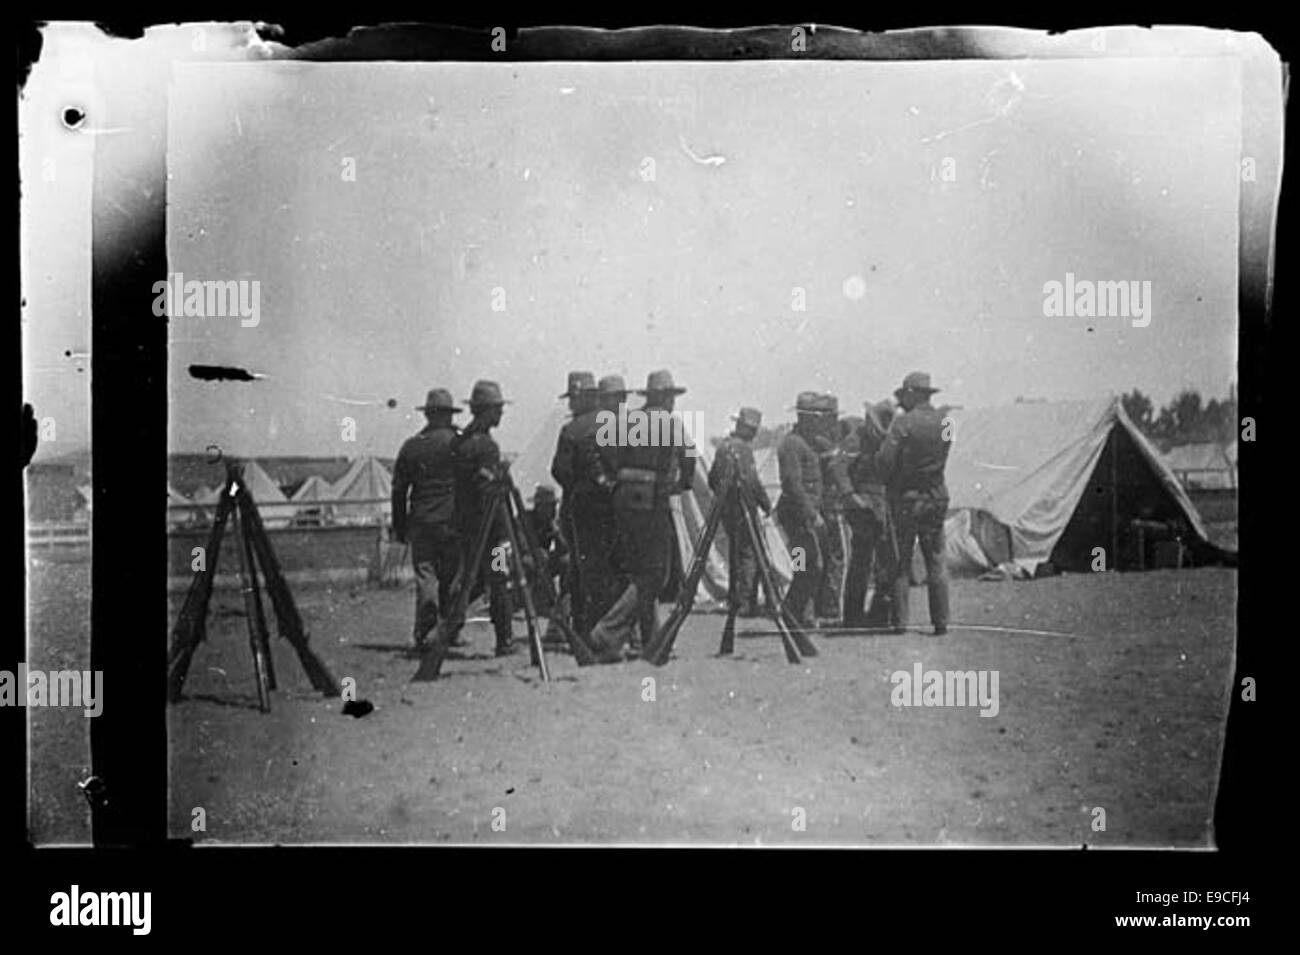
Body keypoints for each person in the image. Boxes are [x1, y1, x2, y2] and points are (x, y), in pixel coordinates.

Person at [589, 369, 695, 662]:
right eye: (670, 397)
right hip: (652, 500)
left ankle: (651, 641)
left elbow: (601, 452)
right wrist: (681, 484)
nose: (673, 403)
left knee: (639, 572)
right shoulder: (669, 423)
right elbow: (689, 457)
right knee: (655, 574)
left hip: (623, 500)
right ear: (663, 397)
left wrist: (615, 479)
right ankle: (608, 632)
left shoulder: (627, 421)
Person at [875, 371, 952, 636]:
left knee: (901, 561)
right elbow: (945, 453)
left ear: (910, 394)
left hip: (907, 498)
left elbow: (885, 461)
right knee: (937, 560)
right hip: (937, 495)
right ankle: (941, 622)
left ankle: (900, 622)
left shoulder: (902, 424)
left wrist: (892, 479)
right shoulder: (946, 422)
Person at [445, 379, 517, 655]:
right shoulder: (486, 446)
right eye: (497, 409)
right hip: (490, 530)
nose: (501, 414)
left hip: (467, 527)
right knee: (499, 579)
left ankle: (448, 632)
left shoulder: (461, 442)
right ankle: (505, 639)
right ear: (486, 410)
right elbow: (488, 492)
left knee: (467, 580)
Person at [391, 388, 463, 650]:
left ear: (429, 415)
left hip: (421, 520)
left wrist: (399, 526)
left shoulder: (412, 446)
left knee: (426, 575)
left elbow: (399, 489)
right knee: (452, 576)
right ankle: (449, 630)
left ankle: (426, 630)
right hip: (452, 520)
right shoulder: (458, 443)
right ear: (448, 415)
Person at [549, 371, 603, 635]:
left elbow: (559, 470)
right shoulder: (614, 425)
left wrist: (578, 487)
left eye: (573, 398)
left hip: (579, 509)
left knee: (577, 567)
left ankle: (579, 626)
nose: (570, 404)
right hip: (610, 510)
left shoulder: (570, 430)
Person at [709, 406, 772, 617]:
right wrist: (766, 504)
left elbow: (712, 479)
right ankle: (746, 602)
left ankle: (735, 598)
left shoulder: (723, 447)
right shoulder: (744, 449)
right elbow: (752, 482)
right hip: (745, 507)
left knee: (736, 553)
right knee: (749, 554)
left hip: (727, 509)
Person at [775, 392, 827, 629]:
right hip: (796, 518)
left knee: (806, 567)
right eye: (815, 417)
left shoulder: (806, 442)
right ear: (803, 418)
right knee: (807, 566)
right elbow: (793, 485)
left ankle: (795, 616)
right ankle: (790, 614)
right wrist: (811, 514)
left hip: (803, 517)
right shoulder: (792, 444)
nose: (819, 421)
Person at [843, 399, 896, 629]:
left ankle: (879, 613)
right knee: (861, 562)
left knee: (885, 561)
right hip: (862, 507)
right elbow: (839, 467)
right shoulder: (855, 440)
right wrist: (851, 496)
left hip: (883, 506)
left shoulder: (889, 442)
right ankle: (853, 615)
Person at [812, 393, 848, 624]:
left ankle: (819, 603)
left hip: (819, 505)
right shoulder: (826, 443)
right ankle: (831, 605)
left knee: (819, 556)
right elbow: (837, 472)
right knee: (836, 555)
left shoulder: (811, 439)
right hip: (831, 505)